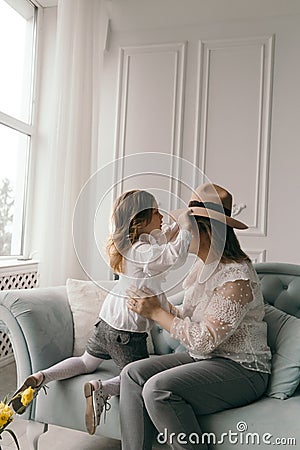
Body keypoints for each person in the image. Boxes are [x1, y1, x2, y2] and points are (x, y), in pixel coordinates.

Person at [11, 189, 193, 436]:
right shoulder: (143, 251)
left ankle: (42, 377)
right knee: (137, 377)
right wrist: (187, 228)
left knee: (86, 361)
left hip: (107, 321)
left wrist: (171, 230)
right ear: (141, 220)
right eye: (157, 212)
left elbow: (160, 246)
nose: (162, 216)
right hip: (126, 331)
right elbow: (173, 256)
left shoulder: (134, 248)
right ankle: (102, 389)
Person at [123, 183, 272, 450]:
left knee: (158, 390)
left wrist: (157, 313)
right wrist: (164, 306)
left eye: (185, 228)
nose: (178, 233)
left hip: (243, 369)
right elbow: (193, 320)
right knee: (132, 374)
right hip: (207, 359)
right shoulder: (203, 267)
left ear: (204, 229)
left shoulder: (236, 275)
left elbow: (204, 340)